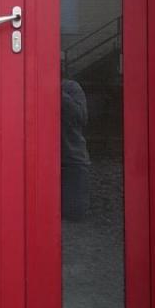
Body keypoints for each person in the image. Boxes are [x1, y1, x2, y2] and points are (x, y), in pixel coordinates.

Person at [62, 78, 91, 221]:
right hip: (42, 162)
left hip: (72, 161)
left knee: (74, 215)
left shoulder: (71, 87)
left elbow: (81, 117)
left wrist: (57, 92)